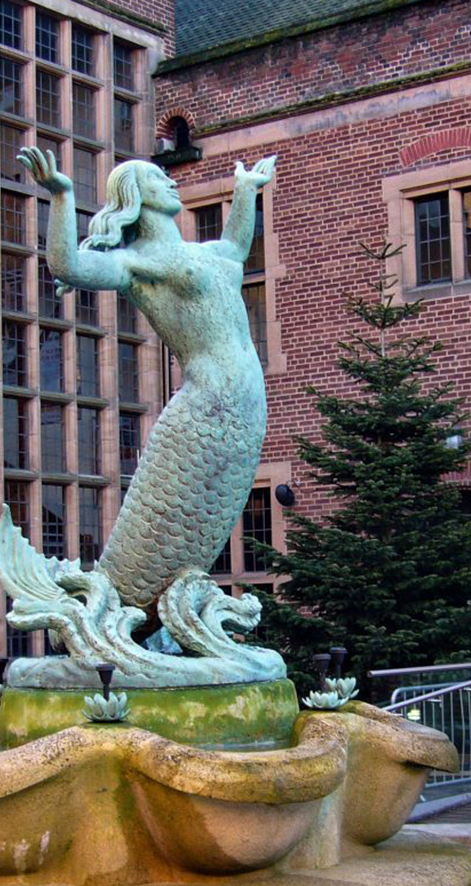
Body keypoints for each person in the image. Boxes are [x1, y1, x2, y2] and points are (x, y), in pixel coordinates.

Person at [17, 147, 277, 615]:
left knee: (205, 521)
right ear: (136, 195)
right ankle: (114, 609)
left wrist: (245, 192)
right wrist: (62, 196)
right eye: (158, 177)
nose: (170, 182)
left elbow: (237, 247)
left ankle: (161, 618)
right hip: (207, 407)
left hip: (245, 408)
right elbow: (68, 267)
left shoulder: (206, 253)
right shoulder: (137, 265)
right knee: (169, 520)